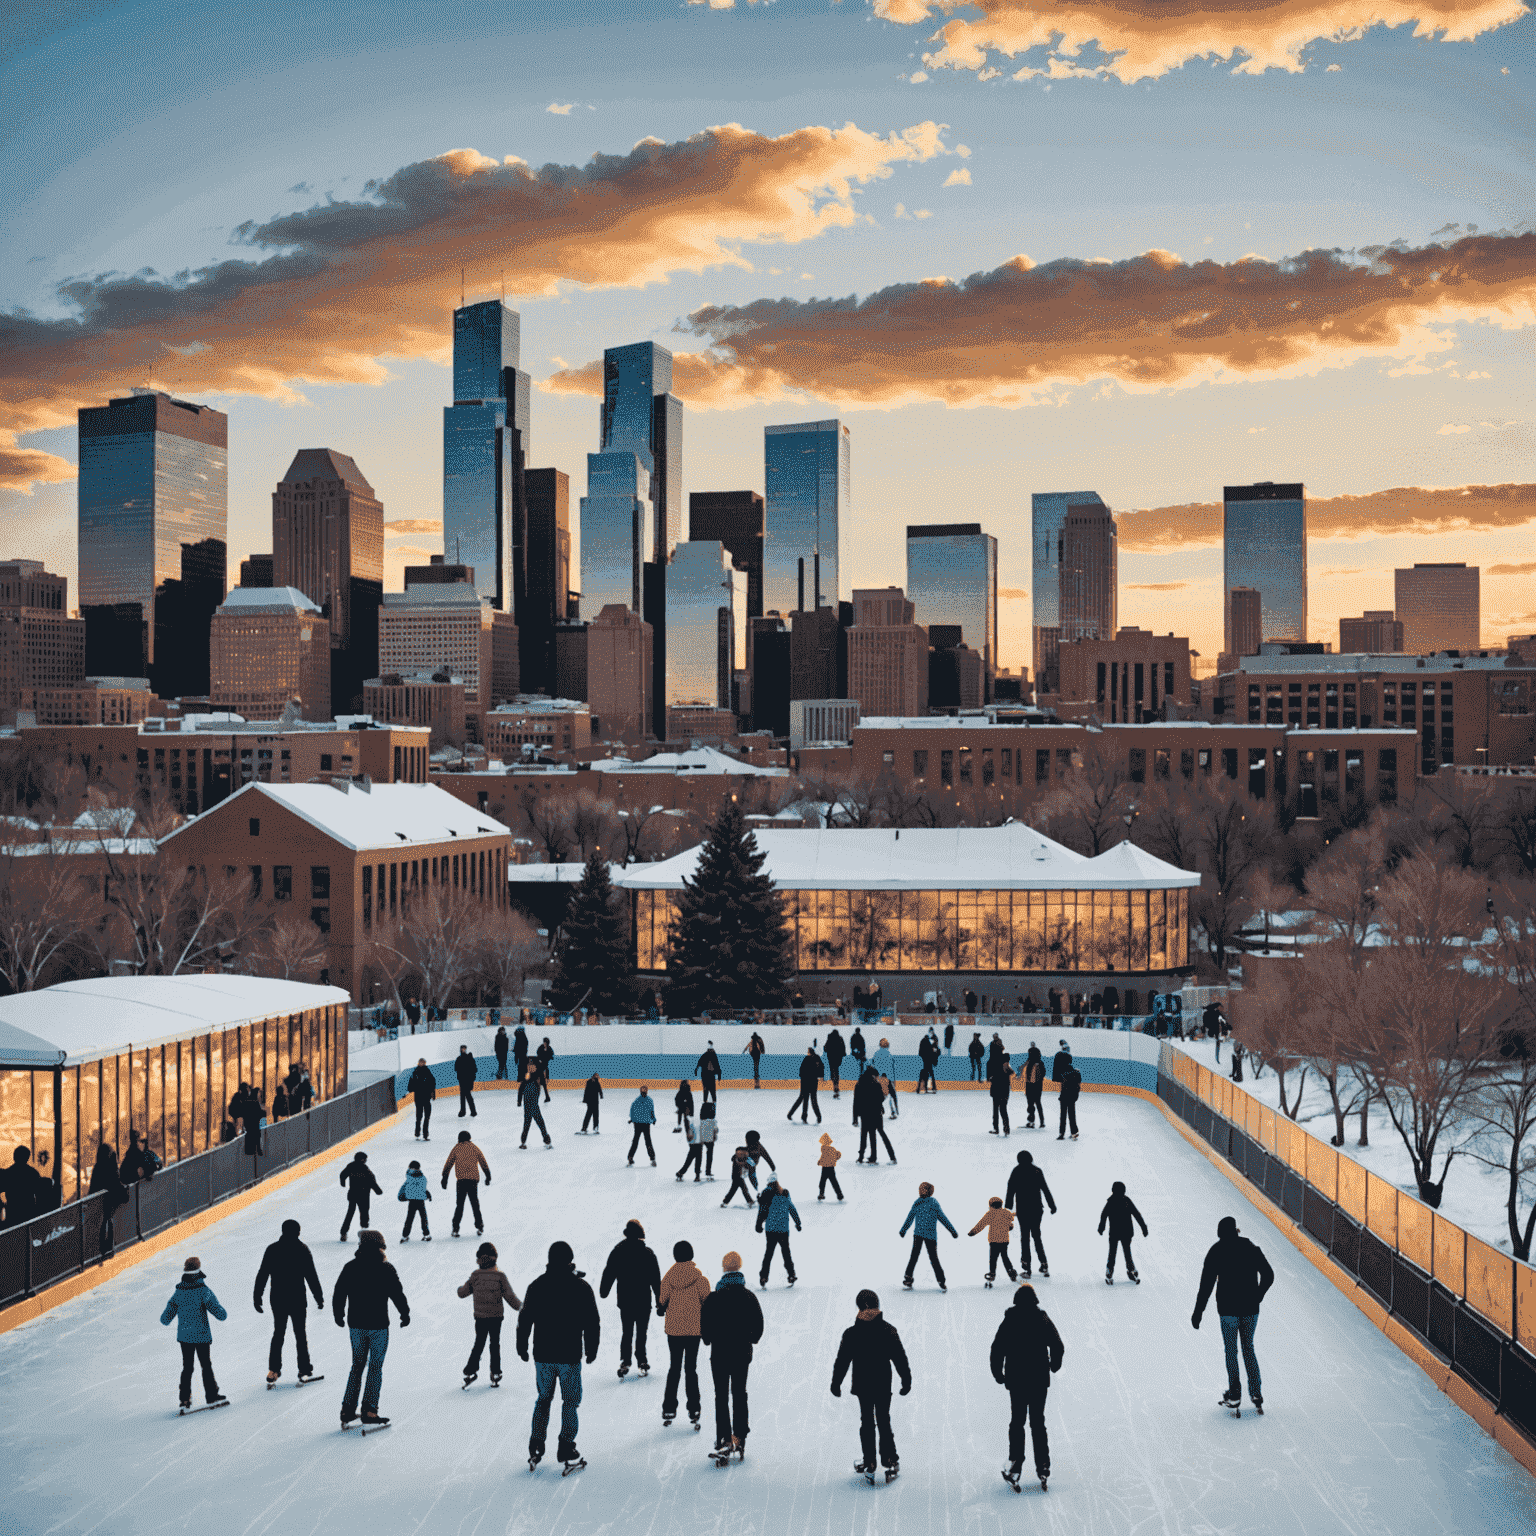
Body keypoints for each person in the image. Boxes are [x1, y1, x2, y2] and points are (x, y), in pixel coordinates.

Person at [517, 1240, 601, 1471]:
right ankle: (566, 1446)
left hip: (543, 1355)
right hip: (569, 1356)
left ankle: (536, 1444)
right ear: (570, 1260)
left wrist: (521, 1345)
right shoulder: (581, 1287)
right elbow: (592, 1321)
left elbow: (525, 1318)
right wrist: (592, 1348)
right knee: (570, 1402)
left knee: (543, 1399)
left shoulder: (537, 1286)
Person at [1192, 1216, 1274, 1412]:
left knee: (1231, 1351)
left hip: (1228, 1310)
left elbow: (1206, 1286)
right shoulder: (1250, 1247)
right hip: (1250, 1309)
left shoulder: (1216, 1251)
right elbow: (1269, 1274)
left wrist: (1198, 1312)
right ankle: (1255, 1393)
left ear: (1220, 1233)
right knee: (1248, 1349)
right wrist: (1258, 1295)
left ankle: (1235, 1394)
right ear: (1236, 1230)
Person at [990, 1281, 1064, 1490]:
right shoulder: (1042, 1319)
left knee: (1017, 1423)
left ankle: (1015, 1465)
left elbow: (997, 1348)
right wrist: (1054, 1365)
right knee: (1038, 1423)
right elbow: (1057, 1344)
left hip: (1017, 1380)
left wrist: (998, 1373)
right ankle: (1043, 1465)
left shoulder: (1010, 1321)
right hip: (1039, 1379)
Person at [831, 1288, 911, 1482]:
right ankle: (889, 1459)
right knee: (883, 1420)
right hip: (883, 1383)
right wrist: (906, 1378)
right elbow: (899, 1357)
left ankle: (870, 1462)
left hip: (863, 1385)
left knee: (867, 1421)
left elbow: (842, 1360)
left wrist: (836, 1382)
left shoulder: (851, 1333)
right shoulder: (888, 1330)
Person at [332, 1229, 409, 1427]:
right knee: (375, 1367)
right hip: (378, 1326)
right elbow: (397, 1293)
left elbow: (339, 1292)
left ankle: (347, 1410)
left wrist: (338, 1314)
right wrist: (404, 1313)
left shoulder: (350, 1267)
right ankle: (369, 1410)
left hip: (356, 1325)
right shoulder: (386, 1268)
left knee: (357, 1367)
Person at [700, 1250, 764, 1460]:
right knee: (739, 1392)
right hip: (742, 1353)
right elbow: (758, 1325)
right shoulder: (748, 1296)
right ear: (739, 1268)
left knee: (721, 1396)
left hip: (719, 1354)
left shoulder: (713, 1297)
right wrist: (750, 1340)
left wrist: (709, 1339)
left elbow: (705, 1326)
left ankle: (724, 1439)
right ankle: (740, 1438)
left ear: (724, 1269)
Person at [254, 1217, 324, 1382]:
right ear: (298, 1232)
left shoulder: (272, 1249)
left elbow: (262, 1274)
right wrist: (318, 1297)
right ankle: (304, 1369)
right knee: (300, 1334)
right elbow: (311, 1276)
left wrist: (257, 1296)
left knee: (278, 1334)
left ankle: (273, 1370)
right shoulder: (302, 1249)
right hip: (297, 1299)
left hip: (278, 1299)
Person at [161, 1255, 228, 1408]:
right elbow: (220, 1314)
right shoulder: (203, 1291)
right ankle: (212, 1395)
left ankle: (184, 1399)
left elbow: (165, 1318)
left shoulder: (179, 1292)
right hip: (202, 1336)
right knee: (206, 1365)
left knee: (187, 1367)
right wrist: (222, 1313)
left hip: (185, 1337)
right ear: (199, 1270)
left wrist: (171, 1314)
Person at [601, 1219, 662, 1379]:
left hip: (625, 1299)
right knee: (642, 1332)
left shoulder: (618, 1251)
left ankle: (625, 1361)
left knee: (627, 1331)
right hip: (643, 1299)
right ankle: (642, 1360)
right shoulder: (647, 1253)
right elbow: (655, 1278)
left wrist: (604, 1290)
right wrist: (659, 1300)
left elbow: (609, 1271)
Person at [657, 1238, 710, 1424]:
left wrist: (661, 1308)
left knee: (674, 1368)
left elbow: (661, 1302)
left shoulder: (668, 1279)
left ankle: (669, 1408)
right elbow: (707, 1303)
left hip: (674, 1331)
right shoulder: (700, 1280)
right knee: (691, 1369)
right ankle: (694, 1408)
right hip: (694, 1331)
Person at [457, 1240, 520, 1386]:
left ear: (479, 1259)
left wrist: (459, 1289)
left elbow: (463, 1293)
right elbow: (510, 1297)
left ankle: (470, 1370)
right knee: (494, 1344)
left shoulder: (476, 1276)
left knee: (479, 1343)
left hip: (480, 1317)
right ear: (494, 1258)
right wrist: (523, 1307)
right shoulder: (500, 1276)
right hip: (496, 1317)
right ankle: (496, 1371)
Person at [1004, 1149, 1056, 1279]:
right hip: (1037, 1209)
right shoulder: (1037, 1171)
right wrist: (1051, 1205)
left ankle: (1027, 1268)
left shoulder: (1016, 1171)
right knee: (1037, 1236)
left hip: (1023, 1210)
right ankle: (1044, 1265)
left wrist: (1007, 1207)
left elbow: (1010, 1189)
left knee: (1025, 1237)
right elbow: (1045, 1188)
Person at [899, 1181, 958, 1290]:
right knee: (915, 1256)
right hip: (920, 1235)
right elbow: (910, 1217)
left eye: (923, 1189)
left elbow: (942, 1218)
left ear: (929, 1191)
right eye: (920, 1189)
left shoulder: (933, 1203)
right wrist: (904, 1229)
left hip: (928, 1235)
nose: (921, 1191)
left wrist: (952, 1230)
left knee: (932, 1258)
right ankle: (908, 1277)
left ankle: (941, 1280)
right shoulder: (918, 1202)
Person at [441, 1130, 491, 1237]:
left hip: (461, 1181)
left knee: (459, 1205)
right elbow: (483, 1162)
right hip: (473, 1181)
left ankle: (455, 1228)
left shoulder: (457, 1148)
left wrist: (444, 1177)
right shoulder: (474, 1148)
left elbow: (448, 1163)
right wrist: (488, 1175)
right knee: (475, 1204)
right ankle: (480, 1226)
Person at [1098, 1180, 1149, 1284]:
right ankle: (1130, 1270)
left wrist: (1101, 1227)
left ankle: (1110, 1271)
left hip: (1118, 1233)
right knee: (1126, 1253)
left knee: (1114, 1253)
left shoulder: (1112, 1201)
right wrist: (1143, 1227)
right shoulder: (1125, 1201)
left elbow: (1104, 1215)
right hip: (1125, 1232)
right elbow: (1136, 1214)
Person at [756, 1182, 801, 1287]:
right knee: (786, 1253)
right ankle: (791, 1274)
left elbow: (762, 1211)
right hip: (783, 1230)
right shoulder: (785, 1196)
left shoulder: (768, 1197)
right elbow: (793, 1210)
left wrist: (758, 1224)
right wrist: (798, 1223)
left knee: (768, 1254)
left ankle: (764, 1276)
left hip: (770, 1230)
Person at [88, 1142, 128, 1258]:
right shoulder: (111, 1166)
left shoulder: (97, 1168)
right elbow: (116, 1182)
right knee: (108, 1221)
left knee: (103, 1223)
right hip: (110, 1201)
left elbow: (93, 1186)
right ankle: (108, 1248)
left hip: (99, 1203)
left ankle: (103, 1248)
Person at [969, 1196, 1018, 1285]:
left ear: (991, 1205)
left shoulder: (990, 1214)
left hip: (994, 1241)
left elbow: (981, 1224)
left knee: (993, 1258)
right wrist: (1009, 1227)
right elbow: (1010, 1223)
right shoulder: (1005, 1213)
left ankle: (992, 1273)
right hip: (1004, 1240)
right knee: (1005, 1256)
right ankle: (1011, 1272)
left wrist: (973, 1232)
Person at [852, 1066, 896, 1165]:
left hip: (865, 1114)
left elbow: (856, 1102)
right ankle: (888, 1156)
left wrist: (855, 1118)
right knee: (877, 1134)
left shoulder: (859, 1084)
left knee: (864, 1135)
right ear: (873, 1075)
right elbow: (881, 1098)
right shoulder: (876, 1084)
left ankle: (861, 1157)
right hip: (876, 1113)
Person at [339, 1151, 382, 1242]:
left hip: (352, 1194)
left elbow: (342, 1174)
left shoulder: (351, 1166)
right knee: (364, 1214)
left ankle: (343, 1232)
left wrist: (343, 1183)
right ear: (362, 1160)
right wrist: (378, 1191)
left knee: (350, 1213)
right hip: (363, 1196)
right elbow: (372, 1181)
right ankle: (364, 1233)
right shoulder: (365, 1169)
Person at [519, 1063, 553, 1149]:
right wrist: (519, 1101)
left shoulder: (536, 1077)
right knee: (530, 1125)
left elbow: (543, 1083)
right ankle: (523, 1142)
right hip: (529, 1107)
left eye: (532, 1067)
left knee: (538, 1124)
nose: (530, 1068)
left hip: (533, 1106)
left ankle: (546, 1141)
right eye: (529, 1067)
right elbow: (520, 1090)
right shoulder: (526, 1079)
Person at [788, 1046, 824, 1124]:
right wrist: (821, 1076)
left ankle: (799, 1115)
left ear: (810, 1052)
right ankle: (817, 1117)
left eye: (808, 1052)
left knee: (804, 1099)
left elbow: (801, 1071)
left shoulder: (807, 1059)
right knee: (811, 1100)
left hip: (806, 1081)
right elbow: (821, 1069)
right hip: (812, 1081)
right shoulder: (817, 1059)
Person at [398, 1158, 432, 1240]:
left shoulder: (409, 1178)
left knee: (410, 1219)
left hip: (412, 1201)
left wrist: (401, 1196)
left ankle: (405, 1235)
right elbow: (423, 1189)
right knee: (423, 1218)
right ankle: (426, 1234)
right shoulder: (423, 1178)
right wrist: (427, 1194)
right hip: (420, 1201)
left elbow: (404, 1188)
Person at [627, 1085, 657, 1166]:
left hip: (638, 1124)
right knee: (648, 1141)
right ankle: (653, 1158)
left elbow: (632, 1111)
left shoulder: (636, 1100)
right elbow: (652, 1112)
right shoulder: (649, 1100)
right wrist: (653, 1119)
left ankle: (630, 1157)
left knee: (635, 1141)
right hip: (646, 1124)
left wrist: (633, 1119)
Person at [1018, 1044, 1046, 1129]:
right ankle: (1033, 1121)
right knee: (1032, 1104)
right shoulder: (1031, 1062)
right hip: (1031, 1085)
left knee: (1035, 1104)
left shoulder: (1038, 1064)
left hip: (1034, 1086)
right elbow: (1024, 1069)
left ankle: (1038, 1122)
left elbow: (1041, 1075)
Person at [407, 1058, 436, 1141]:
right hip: (419, 1098)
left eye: (423, 1062)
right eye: (420, 1062)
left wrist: (433, 1094)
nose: (421, 1063)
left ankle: (425, 1134)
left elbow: (432, 1083)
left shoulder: (428, 1072)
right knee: (419, 1117)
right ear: (418, 1063)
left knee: (427, 1116)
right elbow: (410, 1086)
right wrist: (413, 1088)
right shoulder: (415, 1073)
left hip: (426, 1098)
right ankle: (417, 1133)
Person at [870, 1039, 898, 1117]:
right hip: (889, 1079)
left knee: (877, 1095)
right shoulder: (890, 1055)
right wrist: (893, 1080)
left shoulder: (876, 1054)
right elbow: (893, 1068)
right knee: (891, 1096)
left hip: (878, 1079)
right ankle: (893, 1112)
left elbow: (873, 1066)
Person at [988, 1050, 1013, 1135]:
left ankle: (996, 1128)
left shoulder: (998, 1068)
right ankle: (1006, 1129)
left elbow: (993, 1079)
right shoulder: (1008, 1069)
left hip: (997, 1092)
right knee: (1003, 1110)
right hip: (1004, 1093)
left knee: (996, 1110)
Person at [1057, 1056, 1082, 1141]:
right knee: (1072, 1115)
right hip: (1072, 1097)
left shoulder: (1064, 1073)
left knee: (1063, 1116)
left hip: (1064, 1097)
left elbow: (1062, 1085)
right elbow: (1078, 1085)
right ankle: (1074, 1133)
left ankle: (1061, 1133)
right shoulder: (1076, 1073)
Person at [676, 1114, 705, 1181]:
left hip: (694, 1144)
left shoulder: (692, 1125)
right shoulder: (700, 1125)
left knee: (690, 1159)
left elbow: (690, 1135)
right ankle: (696, 1175)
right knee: (697, 1159)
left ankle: (681, 1173)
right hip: (698, 1144)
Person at [817, 1131, 845, 1201]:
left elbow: (822, 1158)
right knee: (834, 1182)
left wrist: (819, 1162)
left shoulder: (823, 1149)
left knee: (822, 1182)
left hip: (825, 1168)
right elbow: (838, 1154)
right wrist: (835, 1159)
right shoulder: (832, 1149)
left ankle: (821, 1194)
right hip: (831, 1168)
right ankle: (839, 1194)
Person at [454, 1044, 479, 1118]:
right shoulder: (459, 1058)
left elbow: (474, 1069)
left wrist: (472, 1079)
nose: (463, 1050)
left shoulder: (469, 1058)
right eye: (462, 1049)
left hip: (468, 1080)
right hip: (462, 1080)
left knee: (468, 1096)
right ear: (460, 1050)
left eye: (465, 1049)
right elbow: (456, 1068)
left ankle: (473, 1111)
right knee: (463, 1096)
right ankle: (463, 1111)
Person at [697, 1101, 719, 1178]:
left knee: (698, 1155)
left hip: (700, 1138)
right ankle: (708, 1171)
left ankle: (698, 1170)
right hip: (710, 1138)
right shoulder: (713, 1121)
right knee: (709, 1155)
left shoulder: (701, 1120)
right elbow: (715, 1130)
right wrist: (715, 1136)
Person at [825, 1026, 847, 1098]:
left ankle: (834, 1083)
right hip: (838, 1058)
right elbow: (843, 1047)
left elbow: (826, 1047)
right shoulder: (840, 1038)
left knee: (832, 1069)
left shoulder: (829, 1038)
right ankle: (836, 1083)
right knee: (836, 1070)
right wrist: (843, 1054)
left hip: (831, 1057)